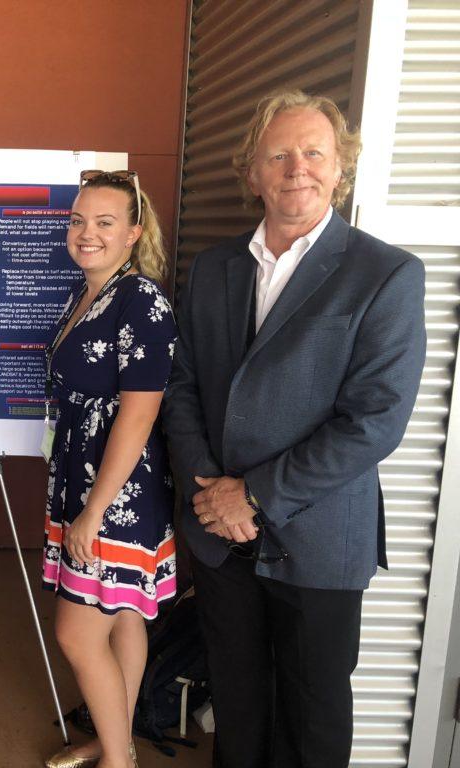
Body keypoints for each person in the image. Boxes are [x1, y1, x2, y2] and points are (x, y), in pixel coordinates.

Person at [163, 90, 426, 767]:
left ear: (342, 169)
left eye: (314, 153)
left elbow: (376, 420)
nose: (295, 168)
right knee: (238, 704)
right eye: (277, 154)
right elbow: (181, 384)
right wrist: (209, 495)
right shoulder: (215, 268)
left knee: (312, 719)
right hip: (221, 538)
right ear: (251, 172)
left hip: (319, 537)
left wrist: (251, 496)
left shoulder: (385, 273)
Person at [42, 170, 177, 768]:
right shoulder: (88, 292)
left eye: (104, 222)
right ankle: (116, 741)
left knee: (76, 632)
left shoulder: (140, 299)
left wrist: (93, 511)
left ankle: (118, 764)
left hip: (117, 491)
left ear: (132, 233)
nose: (86, 233)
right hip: (83, 475)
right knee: (122, 615)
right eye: (78, 221)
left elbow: (140, 414)